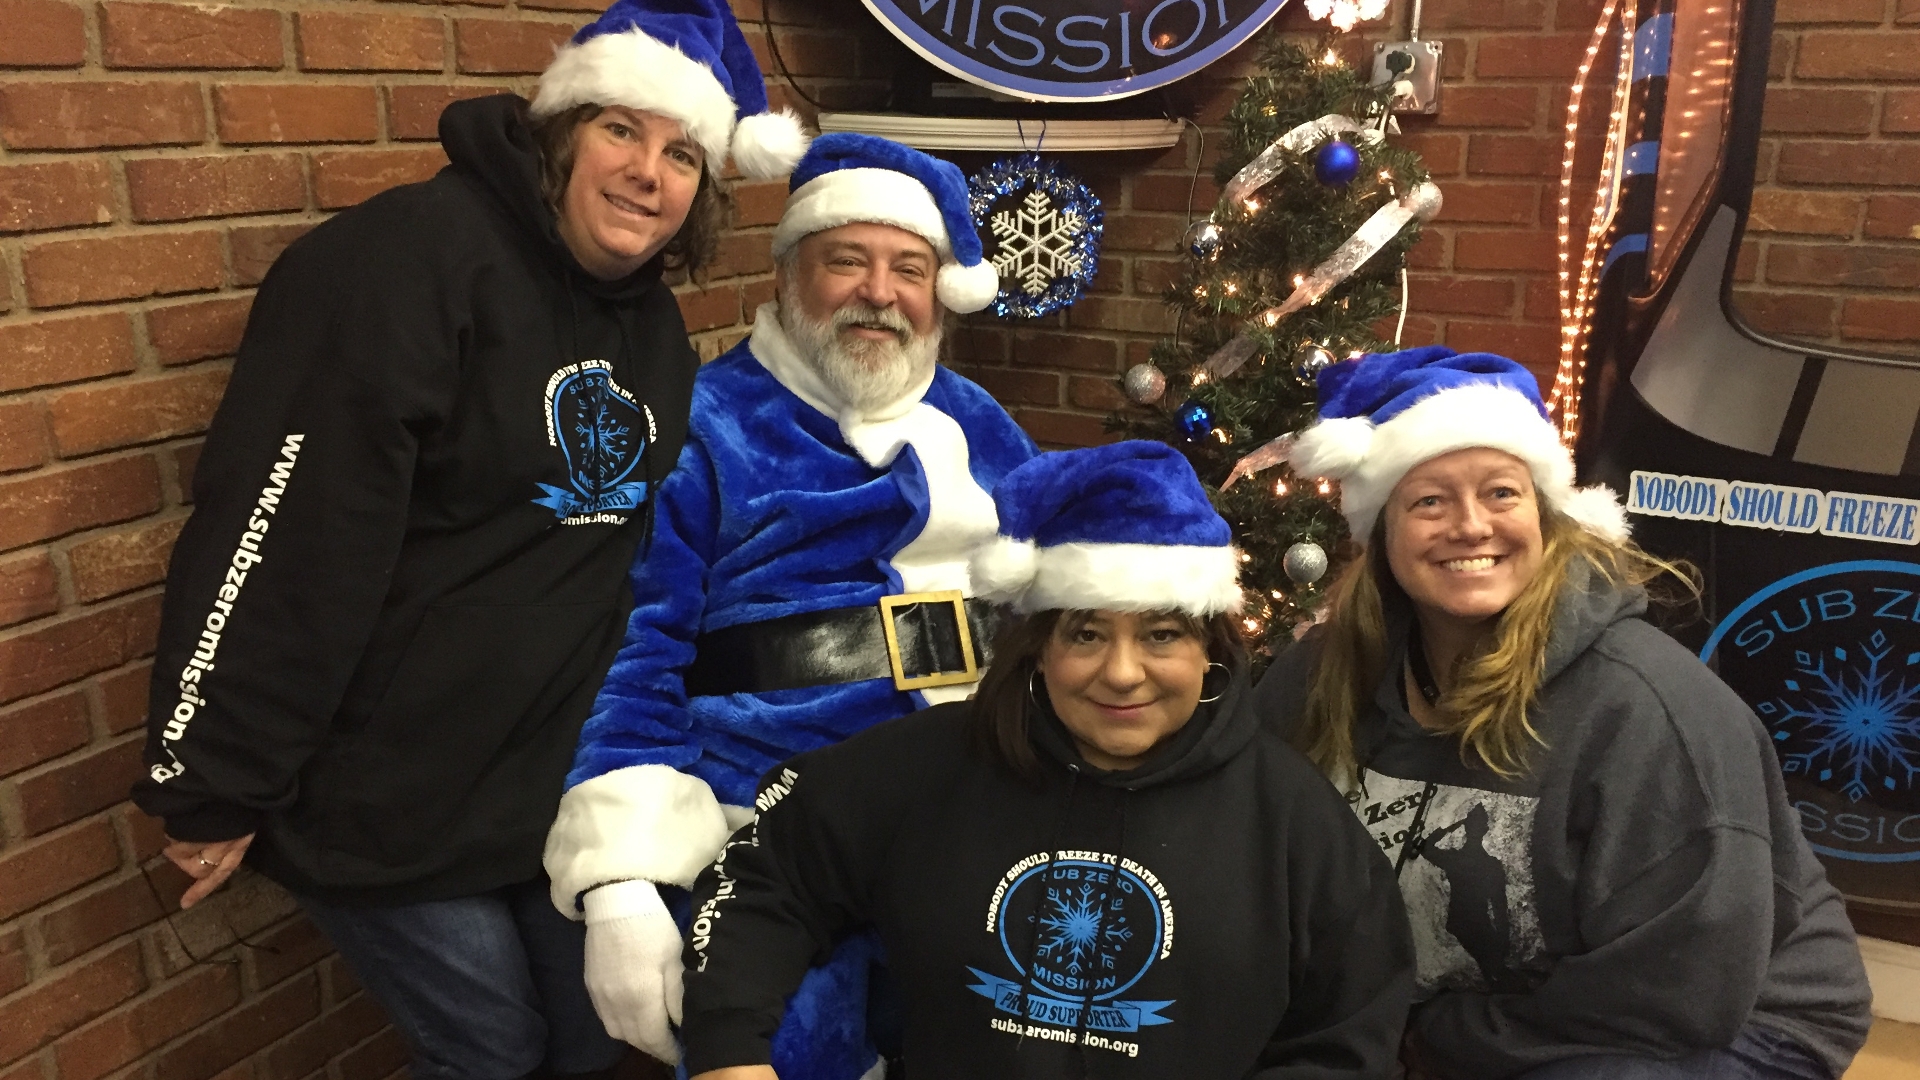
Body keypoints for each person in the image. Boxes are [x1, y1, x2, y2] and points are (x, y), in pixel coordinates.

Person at [129, 2, 807, 1078]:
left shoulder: (648, 323)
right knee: (490, 1053)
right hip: (385, 791)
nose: (648, 173)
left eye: (683, 154)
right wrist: (217, 778)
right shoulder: (399, 265)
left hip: (542, 782)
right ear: (560, 133)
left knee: (601, 1037)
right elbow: (284, 537)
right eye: (620, 131)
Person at [674, 440, 1416, 1080]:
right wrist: (727, 1049)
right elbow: (768, 871)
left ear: (1210, 651)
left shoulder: (1295, 823)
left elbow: (1349, 1036)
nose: (1122, 674)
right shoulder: (925, 767)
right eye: (1086, 634)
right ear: (1039, 650)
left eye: (1161, 635)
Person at [540, 131, 1035, 1078]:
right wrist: (624, 879)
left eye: (909, 270)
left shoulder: (980, 424)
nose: (879, 293)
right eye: (846, 260)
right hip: (767, 821)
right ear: (785, 276)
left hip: (972, 797)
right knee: (781, 1045)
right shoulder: (701, 424)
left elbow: (1061, 598)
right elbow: (632, 652)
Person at [1257, 346, 1874, 1080]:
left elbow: (1681, 990)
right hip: (1477, 1010)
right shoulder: (1323, 673)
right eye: (1428, 502)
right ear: (1381, 530)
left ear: (1546, 515)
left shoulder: (1647, 706)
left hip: (1716, 1022)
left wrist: (1426, 1039)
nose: (1470, 526)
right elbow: (1240, 829)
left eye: (1501, 494)